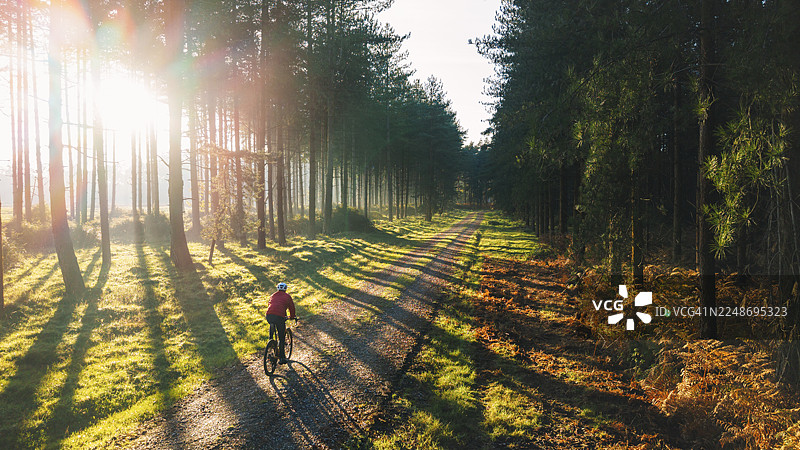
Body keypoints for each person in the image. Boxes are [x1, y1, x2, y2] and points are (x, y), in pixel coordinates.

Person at [266, 282, 296, 364]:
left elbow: (270, 304)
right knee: (281, 337)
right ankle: (282, 358)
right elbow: (291, 308)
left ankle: (270, 342)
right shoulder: (287, 296)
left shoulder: (273, 295)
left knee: (272, 324)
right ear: (286, 289)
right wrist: (292, 316)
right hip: (279, 317)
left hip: (269, 315)